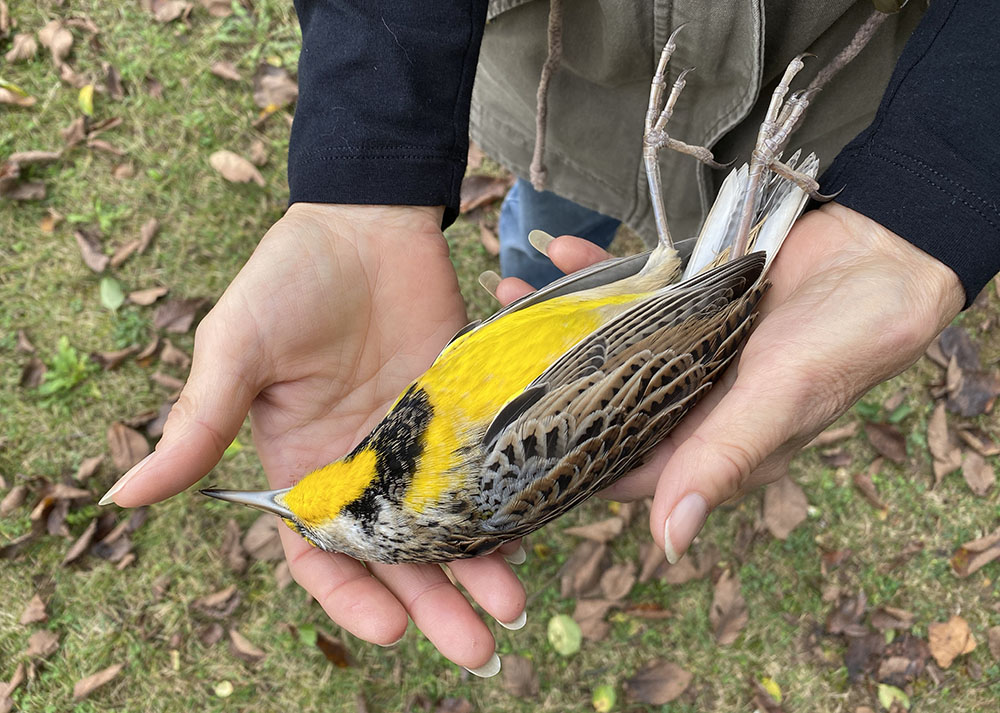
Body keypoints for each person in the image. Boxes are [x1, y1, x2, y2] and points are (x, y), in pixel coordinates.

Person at [100, 0, 998, 676]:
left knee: (552, 229)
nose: (290, 493)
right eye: (311, 510)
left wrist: (359, 178)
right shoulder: (482, 468)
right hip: (665, 306)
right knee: (582, 226)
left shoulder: (408, 433)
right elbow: (629, 364)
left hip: (595, 171)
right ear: (372, 512)